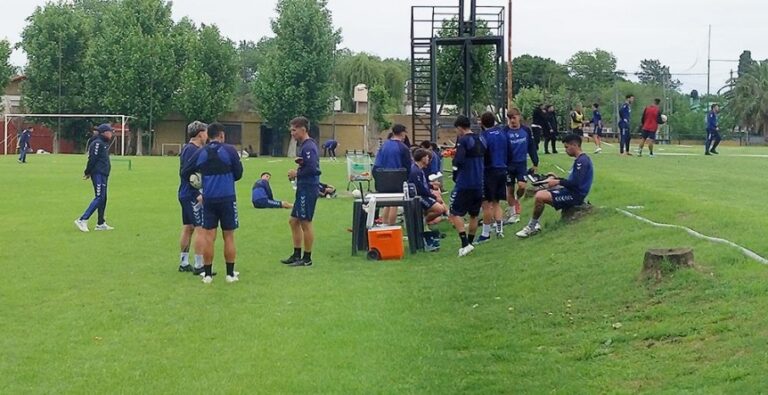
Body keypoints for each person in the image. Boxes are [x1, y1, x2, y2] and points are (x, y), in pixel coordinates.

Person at [181, 122, 243, 284]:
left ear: (208, 135)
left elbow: (185, 171)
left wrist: (200, 181)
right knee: (228, 236)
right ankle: (230, 274)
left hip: (208, 199)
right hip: (227, 197)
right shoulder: (230, 150)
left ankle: (207, 275)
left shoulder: (202, 152)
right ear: (221, 135)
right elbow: (238, 174)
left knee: (209, 236)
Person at [516, 134, 593, 238]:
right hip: (571, 191)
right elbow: (573, 181)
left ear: (574, 145)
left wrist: (558, 182)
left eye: (566, 147)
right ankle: (535, 223)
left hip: (576, 196)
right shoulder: (580, 160)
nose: (565, 150)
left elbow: (576, 183)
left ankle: (532, 226)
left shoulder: (582, 162)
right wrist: (557, 179)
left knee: (540, 196)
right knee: (543, 187)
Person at [281, 117, 321, 267]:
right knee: (293, 221)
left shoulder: (309, 146)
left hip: (308, 188)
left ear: (303, 129)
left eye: (294, 130)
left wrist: (296, 173)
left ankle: (307, 258)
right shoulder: (303, 146)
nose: (292, 133)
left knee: (305, 222)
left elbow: (313, 169)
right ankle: (296, 254)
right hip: (303, 187)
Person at [449, 115, 486, 257]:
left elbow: (459, 160)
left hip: (466, 182)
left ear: (459, 128)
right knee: (474, 215)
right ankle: (470, 243)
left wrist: (454, 173)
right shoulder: (480, 139)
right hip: (479, 182)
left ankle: (464, 243)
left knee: (454, 213)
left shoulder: (464, 141)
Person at [177, 121, 208, 274]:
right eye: (206, 132)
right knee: (200, 228)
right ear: (200, 133)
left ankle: (183, 262)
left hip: (184, 193)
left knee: (188, 227)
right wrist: (198, 194)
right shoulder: (192, 150)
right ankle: (198, 265)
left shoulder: (188, 149)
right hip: (192, 195)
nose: (207, 136)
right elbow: (186, 173)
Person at [74, 124, 115, 232]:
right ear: (104, 132)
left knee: (103, 198)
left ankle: (100, 223)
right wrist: (87, 172)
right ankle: (82, 219)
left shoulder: (104, 143)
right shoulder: (97, 143)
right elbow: (92, 159)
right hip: (98, 173)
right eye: (110, 131)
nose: (111, 134)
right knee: (99, 197)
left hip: (104, 174)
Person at [476, 111, 507, 243]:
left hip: (489, 171)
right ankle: (500, 230)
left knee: (486, 204)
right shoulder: (501, 133)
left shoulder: (484, 136)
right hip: (502, 169)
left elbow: (482, 153)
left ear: (482, 123)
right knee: (496, 202)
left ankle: (485, 234)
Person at [504, 108, 539, 225]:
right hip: (508, 165)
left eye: (514, 118)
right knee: (509, 189)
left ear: (519, 117)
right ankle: (513, 213)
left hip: (521, 164)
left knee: (522, 186)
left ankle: (516, 200)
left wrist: (535, 162)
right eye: (509, 118)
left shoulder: (526, 131)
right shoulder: (505, 132)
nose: (512, 121)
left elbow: (531, 146)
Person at [372, 124, 412, 225]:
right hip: (396, 178)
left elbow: (376, 164)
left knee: (387, 203)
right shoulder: (403, 148)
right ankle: (391, 226)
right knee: (394, 203)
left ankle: (384, 224)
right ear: (403, 133)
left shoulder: (384, 145)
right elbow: (408, 167)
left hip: (382, 178)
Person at [409, 148, 448, 250]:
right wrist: (434, 196)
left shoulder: (419, 169)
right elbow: (420, 189)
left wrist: (432, 186)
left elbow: (423, 184)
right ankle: (421, 224)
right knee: (439, 209)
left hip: (423, 194)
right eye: (427, 157)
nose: (428, 159)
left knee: (441, 205)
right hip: (419, 197)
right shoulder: (415, 170)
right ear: (422, 158)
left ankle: (422, 224)